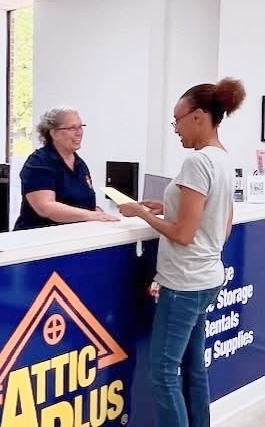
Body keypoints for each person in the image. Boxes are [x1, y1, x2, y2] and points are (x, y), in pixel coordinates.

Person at [118, 78, 246, 427]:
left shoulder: (197, 163)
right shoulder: (222, 159)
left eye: (177, 120)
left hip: (184, 283)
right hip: (207, 278)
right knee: (193, 366)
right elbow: (222, 221)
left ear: (199, 117)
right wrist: (167, 207)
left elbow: (183, 234)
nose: (175, 128)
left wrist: (141, 213)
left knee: (163, 371)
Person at [13, 107, 118, 230]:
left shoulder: (80, 164)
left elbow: (81, 202)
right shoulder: (39, 162)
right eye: (71, 128)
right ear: (53, 133)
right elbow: (45, 207)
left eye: (80, 127)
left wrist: (96, 212)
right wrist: (91, 215)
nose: (79, 132)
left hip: (75, 234)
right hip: (41, 236)